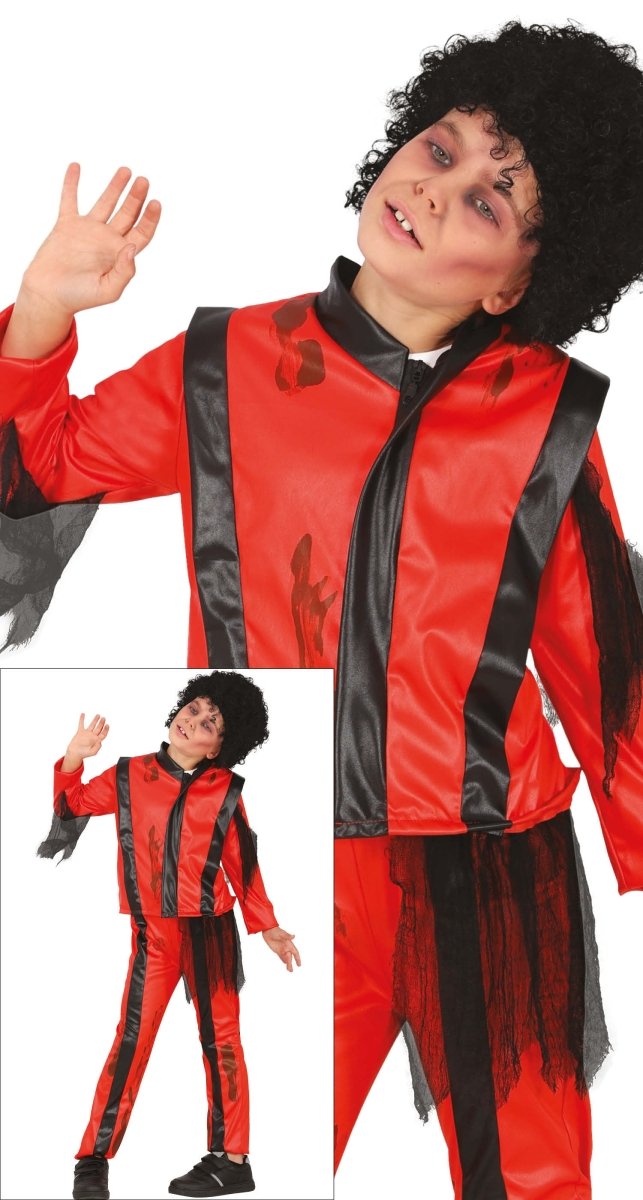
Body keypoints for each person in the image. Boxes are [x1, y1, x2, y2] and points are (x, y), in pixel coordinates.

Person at [2, 17, 642, 1198]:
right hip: (310, 849)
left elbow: (608, 671)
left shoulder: (549, 418)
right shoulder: (221, 365)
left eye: (489, 199)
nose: (434, 189)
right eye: (440, 147)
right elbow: (30, 475)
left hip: (497, 867)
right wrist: (42, 309)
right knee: (278, 1149)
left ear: (520, 277)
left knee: (530, 1175)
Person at [37, 670, 300, 1200]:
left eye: (210, 723)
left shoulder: (226, 791)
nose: (193, 721)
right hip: (153, 936)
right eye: (195, 708)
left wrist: (267, 924)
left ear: (220, 747)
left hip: (212, 934)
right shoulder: (129, 775)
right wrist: (73, 760)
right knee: (131, 1039)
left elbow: (242, 863)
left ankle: (232, 1161)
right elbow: (71, 806)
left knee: (222, 1042)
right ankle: (93, 1159)